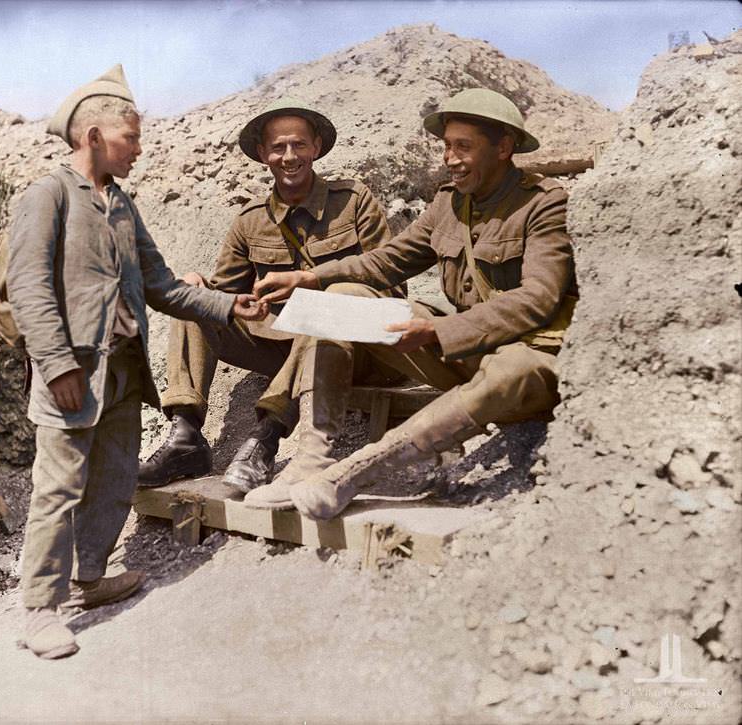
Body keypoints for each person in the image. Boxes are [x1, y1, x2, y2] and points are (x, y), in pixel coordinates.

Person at [7, 65, 266, 659]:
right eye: (132, 137)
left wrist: (229, 304)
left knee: (116, 476)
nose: (140, 150)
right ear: (93, 136)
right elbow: (28, 290)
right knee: (58, 488)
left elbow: (162, 285)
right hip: (70, 372)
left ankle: (89, 579)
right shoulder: (48, 197)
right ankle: (39, 611)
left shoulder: (121, 204)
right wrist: (56, 365)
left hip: (122, 370)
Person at [245, 88, 578, 517]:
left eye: (463, 146)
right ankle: (312, 458)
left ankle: (351, 475)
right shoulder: (448, 202)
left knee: (513, 371)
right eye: (446, 146)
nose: (450, 158)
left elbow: (538, 298)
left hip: (528, 357)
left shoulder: (543, 204)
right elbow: (390, 260)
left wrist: (439, 330)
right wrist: (312, 277)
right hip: (467, 353)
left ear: (504, 148)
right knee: (337, 300)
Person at [137, 98, 402, 493]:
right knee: (195, 301)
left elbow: (393, 286)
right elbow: (226, 296)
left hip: (354, 347)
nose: (289, 157)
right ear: (263, 154)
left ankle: (266, 437)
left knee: (321, 312)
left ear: (316, 147)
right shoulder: (250, 220)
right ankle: (185, 435)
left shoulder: (354, 201)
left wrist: (318, 284)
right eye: (278, 148)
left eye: (298, 145)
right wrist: (200, 288)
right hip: (280, 346)